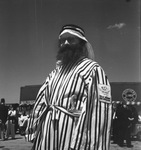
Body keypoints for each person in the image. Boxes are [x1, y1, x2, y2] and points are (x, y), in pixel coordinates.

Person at [26, 24, 112, 150]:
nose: (65, 43)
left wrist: (86, 144)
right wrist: (33, 129)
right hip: (47, 133)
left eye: (71, 39)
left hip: (72, 134)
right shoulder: (55, 73)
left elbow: (99, 110)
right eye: (62, 41)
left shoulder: (92, 69)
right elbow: (41, 101)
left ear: (81, 43)